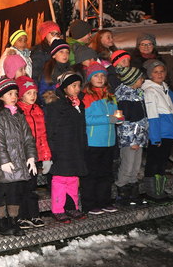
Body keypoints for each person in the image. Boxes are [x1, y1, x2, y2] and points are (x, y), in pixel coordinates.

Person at [0, 77, 38, 236]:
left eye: (16, 94)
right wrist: (3, 160)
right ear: (1, 96)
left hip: (19, 162)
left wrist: (31, 157)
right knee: (2, 191)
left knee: (14, 192)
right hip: (5, 163)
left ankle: (13, 220)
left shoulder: (19, 115)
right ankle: (0, 221)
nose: (14, 97)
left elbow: (28, 138)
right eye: (10, 93)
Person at [43, 71, 89, 223]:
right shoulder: (56, 104)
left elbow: (81, 126)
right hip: (61, 148)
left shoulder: (77, 103)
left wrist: (83, 146)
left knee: (73, 180)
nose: (77, 89)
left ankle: (72, 206)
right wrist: (52, 151)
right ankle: (58, 209)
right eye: (73, 86)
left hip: (75, 147)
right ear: (64, 88)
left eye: (78, 86)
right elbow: (51, 128)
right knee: (60, 180)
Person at [81, 62, 120, 215]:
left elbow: (115, 114)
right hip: (93, 142)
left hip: (109, 141)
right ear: (90, 78)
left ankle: (104, 201)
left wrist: (118, 118)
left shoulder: (110, 94)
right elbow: (86, 119)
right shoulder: (87, 95)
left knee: (106, 174)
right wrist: (107, 118)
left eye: (102, 75)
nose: (100, 78)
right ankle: (90, 204)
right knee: (92, 175)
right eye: (96, 75)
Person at [141, 59, 173, 203]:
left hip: (168, 133)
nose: (159, 74)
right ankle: (152, 193)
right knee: (154, 163)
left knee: (162, 163)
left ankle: (160, 191)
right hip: (158, 134)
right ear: (150, 75)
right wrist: (155, 137)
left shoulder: (166, 89)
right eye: (155, 72)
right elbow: (152, 116)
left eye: (162, 71)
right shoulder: (150, 91)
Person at [15, 76, 50, 229]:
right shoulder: (17, 111)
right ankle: (21, 216)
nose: (33, 96)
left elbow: (42, 135)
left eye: (35, 93)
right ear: (21, 94)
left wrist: (46, 156)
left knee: (32, 186)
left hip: (34, 157)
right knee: (21, 187)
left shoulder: (38, 110)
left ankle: (34, 214)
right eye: (29, 93)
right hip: (21, 156)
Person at [114, 66, 148, 206]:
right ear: (132, 80)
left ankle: (133, 193)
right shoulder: (124, 97)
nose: (143, 80)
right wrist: (132, 140)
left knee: (136, 166)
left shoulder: (138, 93)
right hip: (129, 139)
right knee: (127, 166)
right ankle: (122, 192)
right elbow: (124, 122)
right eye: (140, 78)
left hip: (139, 137)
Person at [37, 39, 71, 103]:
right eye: (61, 52)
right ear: (54, 55)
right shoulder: (48, 71)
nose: (65, 55)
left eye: (67, 52)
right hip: (53, 106)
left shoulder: (70, 70)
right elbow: (42, 93)